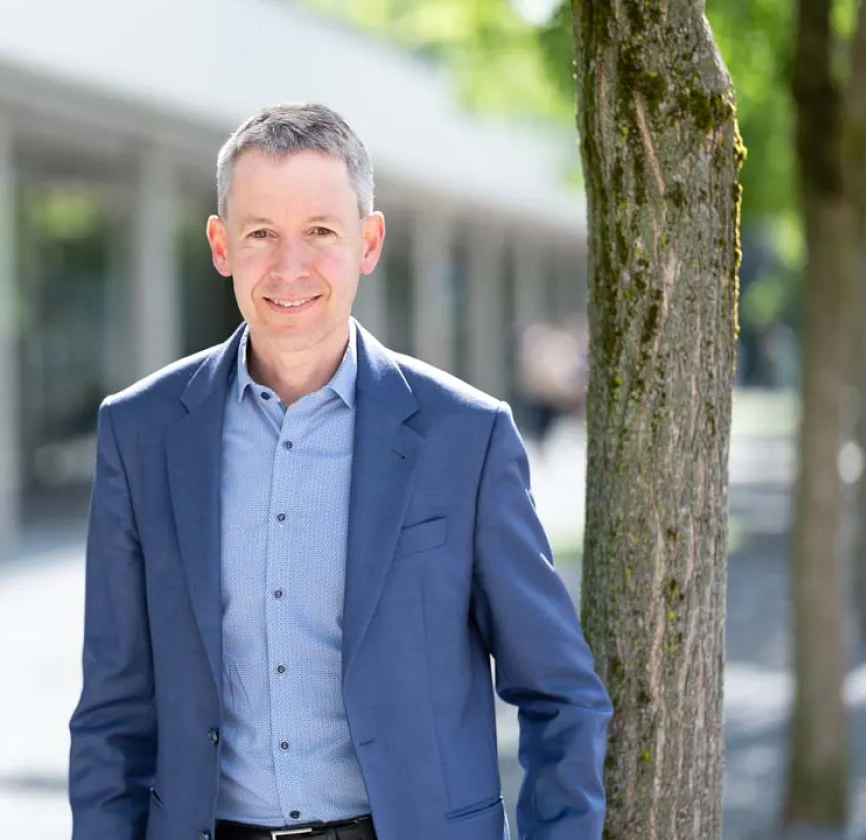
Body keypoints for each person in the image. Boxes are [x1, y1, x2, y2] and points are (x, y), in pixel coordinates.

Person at [68, 103, 611, 840]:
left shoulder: (465, 437)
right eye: (261, 234)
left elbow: (560, 696)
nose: (289, 267)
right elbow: (112, 717)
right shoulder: (139, 432)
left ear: (369, 240)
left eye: (320, 232)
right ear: (221, 244)